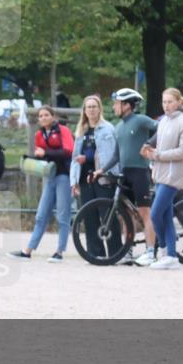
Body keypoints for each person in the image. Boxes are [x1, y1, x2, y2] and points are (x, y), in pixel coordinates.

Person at [92, 88, 158, 265]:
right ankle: (127, 252)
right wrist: (101, 170)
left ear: (127, 105)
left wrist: (149, 144)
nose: (113, 107)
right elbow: (116, 156)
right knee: (127, 215)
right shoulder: (119, 127)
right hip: (125, 173)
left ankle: (150, 252)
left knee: (145, 212)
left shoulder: (140, 120)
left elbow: (163, 130)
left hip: (140, 172)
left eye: (116, 103)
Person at [10, 106, 75, 262]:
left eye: (46, 115)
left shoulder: (63, 130)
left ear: (53, 117)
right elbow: (42, 157)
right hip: (50, 176)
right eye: (40, 116)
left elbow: (68, 151)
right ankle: (28, 251)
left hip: (64, 176)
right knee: (41, 215)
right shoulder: (39, 134)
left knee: (63, 215)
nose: (43, 118)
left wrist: (45, 154)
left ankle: (59, 251)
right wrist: (31, 159)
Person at [143, 88, 183, 270]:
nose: (166, 106)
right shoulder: (163, 121)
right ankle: (171, 256)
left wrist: (159, 156)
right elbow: (157, 141)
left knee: (156, 213)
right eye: (164, 102)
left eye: (170, 102)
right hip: (159, 173)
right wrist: (148, 148)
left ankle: (165, 250)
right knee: (165, 215)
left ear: (178, 102)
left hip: (173, 175)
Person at [70, 95, 120, 256]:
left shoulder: (108, 129)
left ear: (99, 109)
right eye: (88, 107)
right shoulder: (80, 131)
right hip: (85, 178)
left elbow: (113, 155)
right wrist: (74, 181)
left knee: (107, 215)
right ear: (84, 110)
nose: (91, 110)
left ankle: (116, 252)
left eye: (94, 106)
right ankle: (95, 253)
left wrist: (90, 159)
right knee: (89, 216)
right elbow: (75, 158)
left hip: (103, 177)